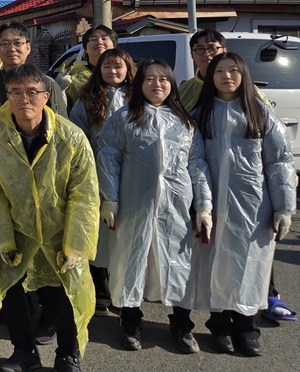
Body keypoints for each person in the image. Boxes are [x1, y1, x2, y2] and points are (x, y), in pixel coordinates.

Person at [0, 64, 98, 372]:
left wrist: (76, 243)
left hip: (62, 231)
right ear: (7, 97)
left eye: (32, 92)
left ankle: (68, 358)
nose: (24, 99)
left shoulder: (71, 137)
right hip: (19, 229)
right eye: (16, 92)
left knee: (68, 293)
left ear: (46, 96)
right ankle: (24, 352)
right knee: (14, 289)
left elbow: (84, 194)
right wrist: (2, 238)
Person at [96, 59, 212, 354]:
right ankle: (131, 322)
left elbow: (197, 165)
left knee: (178, 264)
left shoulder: (184, 122)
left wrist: (204, 206)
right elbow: (108, 157)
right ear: (139, 84)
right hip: (134, 205)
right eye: (149, 79)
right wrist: (109, 198)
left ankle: (182, 325)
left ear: (172, 84)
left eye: (163, 79)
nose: (156, 84)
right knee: (131, 261)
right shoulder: (123, 118)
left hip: (176, 208)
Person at [191, 52, 296, 356]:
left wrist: (284, 207)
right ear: (210, 77)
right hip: (214, 201)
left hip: (254, 205)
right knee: (216, 264)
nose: (227, 76)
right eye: (220, 71)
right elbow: (195, 161)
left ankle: (247, 328)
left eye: (234, 71)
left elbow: (279, 163)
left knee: (252, 264)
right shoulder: (201, 114)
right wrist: (203, 205)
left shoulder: (260, 113)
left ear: (243, 75)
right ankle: (220, 325)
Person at [68, 48, 135, 317]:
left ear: (128, 69)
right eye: (107, 67)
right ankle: (102, 289)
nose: (113, 71)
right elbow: (77, 133)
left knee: (126, 232)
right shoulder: (88, 98)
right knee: (98, 233)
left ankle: (124, 291)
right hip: (95, 172)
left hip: (131, 174)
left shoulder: (137, 97)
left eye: (118, 66)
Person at [0, 22, 67, 127]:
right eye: (5, 44)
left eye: (17, 43)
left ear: (28, 48)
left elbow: (61, 126)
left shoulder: (47, 84)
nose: (12, 49)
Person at [178, 29, 272, 113]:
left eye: (212, 48)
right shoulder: (183, 92)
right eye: (199, 49)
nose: (206, 53)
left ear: (224, 51)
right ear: (191, 54)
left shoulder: (247, 89)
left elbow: (269, 124)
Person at [60, 25, 118, 108]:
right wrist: (59, 90)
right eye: (93, 39)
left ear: (114, 46)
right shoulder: (72, 76)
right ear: (85, 49)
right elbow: (62, 109)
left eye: (104, 38)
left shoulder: (125, 71)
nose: (99, 42)